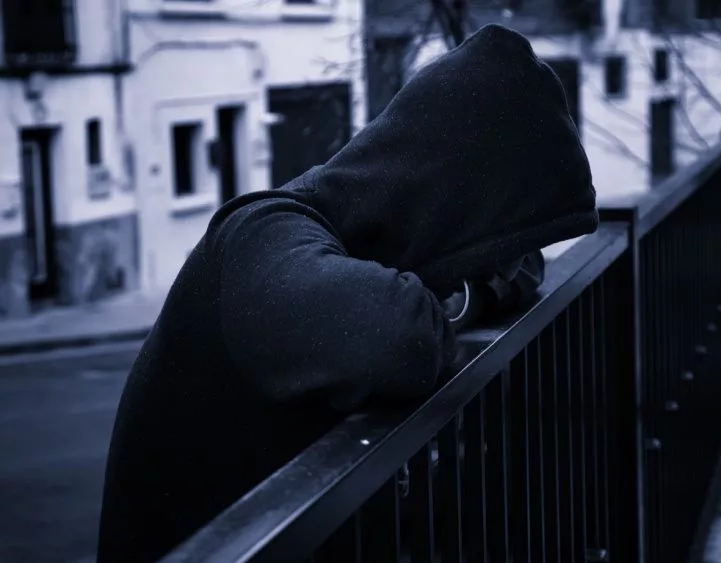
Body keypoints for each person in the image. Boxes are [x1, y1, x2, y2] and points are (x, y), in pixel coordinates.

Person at [96, 23, 598, 563]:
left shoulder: (356, 245)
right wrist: (462, 299)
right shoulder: (260, 233)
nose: (519, 263)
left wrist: (469, 292)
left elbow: (523, 278)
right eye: (512, 239)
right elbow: (396, 341)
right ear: (460, 201)